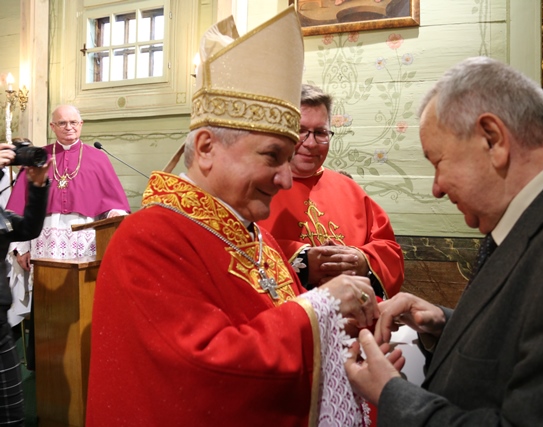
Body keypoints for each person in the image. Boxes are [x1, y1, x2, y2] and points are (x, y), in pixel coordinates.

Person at [86, 9, 378, 426]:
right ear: (206, 148)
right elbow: (205, 373)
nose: (285, 179)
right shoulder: (147, 237)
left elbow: (287, 321)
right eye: (272, 157)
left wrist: (354, 327)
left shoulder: (257, 236)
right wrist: (324, 305)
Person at [344, 57, 543, 426]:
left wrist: (390, 393)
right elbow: (530, 338)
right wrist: (443, 324)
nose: (436, 188)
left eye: (438, 162)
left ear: (493, 139)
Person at [5, 104, 130, 369]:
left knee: (83, 297)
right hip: (43, 237)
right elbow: (20, 206)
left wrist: (115, 213)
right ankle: (44, 364)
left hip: (84, 238)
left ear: (81, 125)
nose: (69, 127)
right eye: (62, 123)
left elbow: (115, 202)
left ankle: (87, 356)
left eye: (73, 122)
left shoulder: (98, 158)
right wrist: (21, 247)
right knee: (46, 298)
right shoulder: (39, 157)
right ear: (53, 127)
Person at [258, 84, 404, 299]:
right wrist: (303, 260)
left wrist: (361, 260)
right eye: (300, 131)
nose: (311, 143)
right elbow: (236, 249)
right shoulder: (256, 187)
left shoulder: (350, 190)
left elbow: (390, 252)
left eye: (320, 133)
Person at [0, 143, 49, 424]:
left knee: (12, 414)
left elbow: (30, 227)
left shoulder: (2, 216)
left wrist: (38, 186)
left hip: (0, 324)